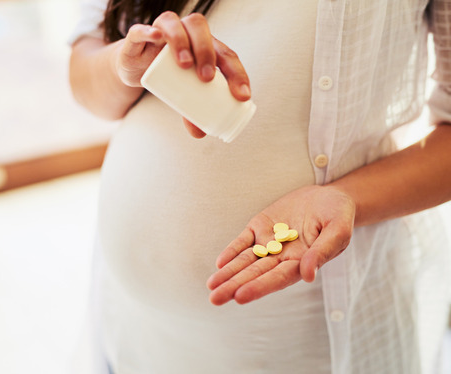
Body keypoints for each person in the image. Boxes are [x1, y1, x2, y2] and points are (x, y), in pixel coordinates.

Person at [68, 0, 451, 373]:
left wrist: (347, 197)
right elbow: (85, 76)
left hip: (306, 331)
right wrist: (126, 64)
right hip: (140, 328)